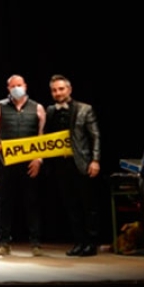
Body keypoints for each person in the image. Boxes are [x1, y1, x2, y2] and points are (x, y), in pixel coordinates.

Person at [45, 75, 101, 257]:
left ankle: (91, 243)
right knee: (71, 206)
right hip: (61, 165)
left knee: (88, 205)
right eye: (54, 90)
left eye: (61, 89)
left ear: (69, 89)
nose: (58, 93)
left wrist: (95, 160)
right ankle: (79, 242)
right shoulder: (51, 110)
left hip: (82, 163)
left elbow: (95, 136)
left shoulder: (85, 109)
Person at [0, 74, 46, 256]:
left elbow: (42, 136)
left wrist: (38, 159)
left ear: (25, 86)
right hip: (6, 162)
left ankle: (36, 243)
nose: (16, 88)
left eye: (19, 85)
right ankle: (5, 243)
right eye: (12, 85)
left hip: (30, 163)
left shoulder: (37, 108)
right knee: (5, 203)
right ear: (8, 88)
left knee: (32, 202)